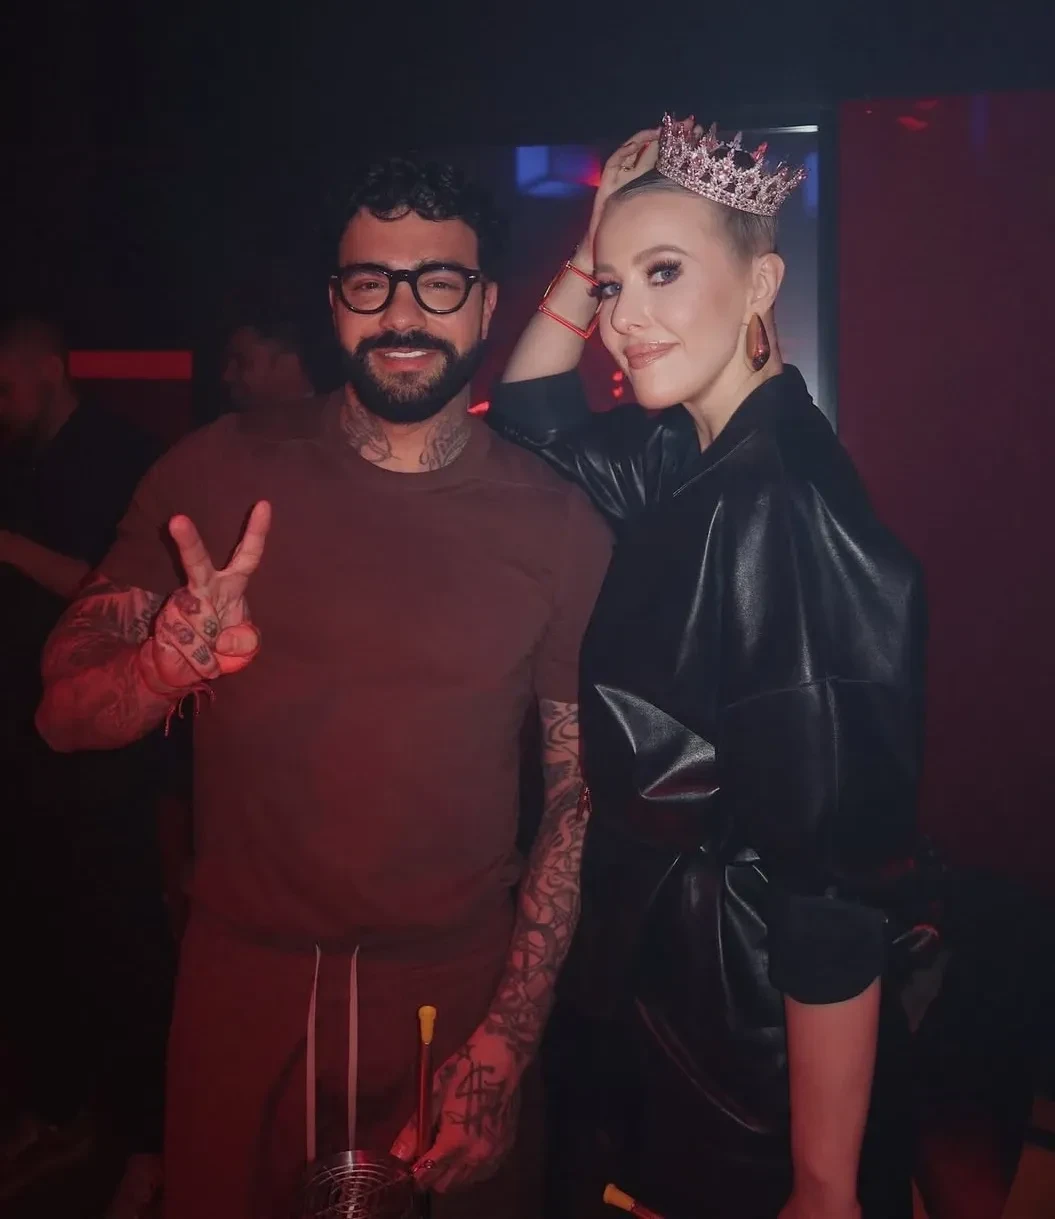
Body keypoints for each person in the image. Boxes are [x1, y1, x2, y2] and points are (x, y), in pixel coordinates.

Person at [34, 158, 612, 1219]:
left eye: (439, 282)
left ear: (486, 303)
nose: (403, 312)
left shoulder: (558, 522)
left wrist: (509, 1037)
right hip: (239, 989)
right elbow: (60, 715)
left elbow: (576, 799)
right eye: (370, 281)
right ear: (334, 301)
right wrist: (159, 667)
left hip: (453, 996)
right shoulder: (214, 471)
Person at [488, 117, 929, 1219]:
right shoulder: (686, 448)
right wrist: (591, 241)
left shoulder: (783, 503)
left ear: (758, 284)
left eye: (663, 273)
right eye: (611, 286)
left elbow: (832, 886)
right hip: (661, 981)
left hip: (744, 1039)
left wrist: (821, 1182)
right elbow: (531, 414)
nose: (621, 318)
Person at [0, 312, 174, 1219]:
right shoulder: (20, 459)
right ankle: (59, 1106)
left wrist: (4, 544)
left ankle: (148, 1137)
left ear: (47, 365)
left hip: (106, 747)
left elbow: (114, 599)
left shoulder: (124, 456)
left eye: (3, 383)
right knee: (39, 924)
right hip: (26, 737)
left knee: (120, 928)